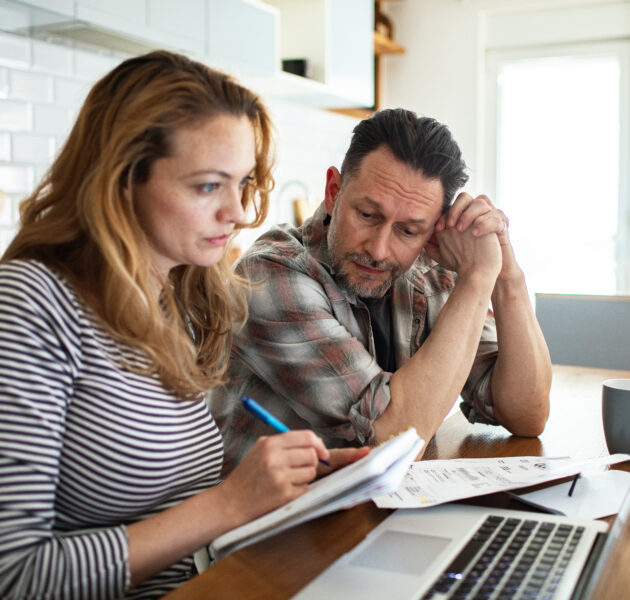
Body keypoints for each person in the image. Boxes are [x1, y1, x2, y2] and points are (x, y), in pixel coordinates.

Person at [0, 50, 366, 599]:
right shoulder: (32, 304)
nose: (240, 213)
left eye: (241, 182)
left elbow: (171, 510)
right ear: (120, 181)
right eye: (207, 187)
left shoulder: (172, 297)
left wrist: (289, 485)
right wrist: (230, 503)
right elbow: (16, 575)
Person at [209, 108, 552, 474]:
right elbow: (389, 441)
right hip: (276, 524)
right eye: (368, 215)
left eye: (408, 230)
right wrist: (477, 279)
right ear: (333, 190)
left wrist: (506, 277)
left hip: (376, 511)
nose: (378, 249)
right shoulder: (272, 274)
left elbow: (526, 415)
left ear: (434, 231)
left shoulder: (432, 270)